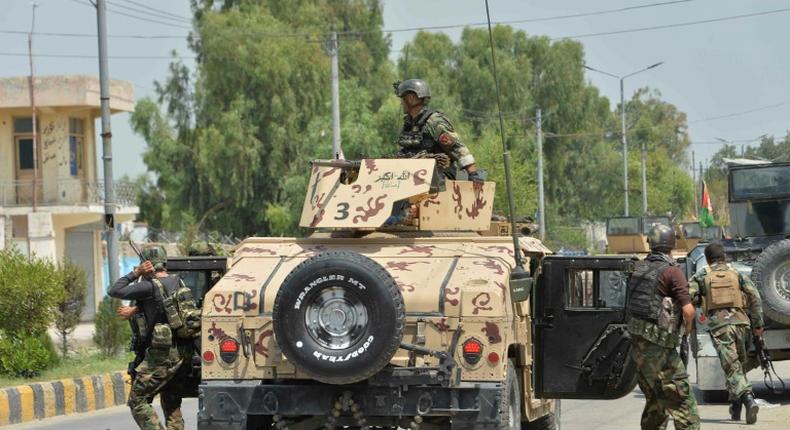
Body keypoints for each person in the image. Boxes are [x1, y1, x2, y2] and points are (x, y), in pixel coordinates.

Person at [109, 245, 199, 430]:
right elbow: (164, 308)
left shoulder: (147, 286)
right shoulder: (178, 282)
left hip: (163, 356)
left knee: (138, 399)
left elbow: (115, 290)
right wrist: (137, 309)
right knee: (172, 401)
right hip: (184, 355)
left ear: (146, 264)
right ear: (164, 263)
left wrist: (135, 273)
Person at [626, 224, 700, 429]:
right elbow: (688, 311)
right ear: (671, 244)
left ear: (651, 243)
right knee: (683, 402)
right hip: (660, 348)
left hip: (639, 348)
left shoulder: (638, 268)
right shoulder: (672, 271)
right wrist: (687, 330)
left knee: (655, 403)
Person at [688, 242, 763, 424]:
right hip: (742, 324)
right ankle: (735, 408)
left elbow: (689, 296)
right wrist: (758, 325)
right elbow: (755, 296)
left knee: (731, 367)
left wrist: (700, 301)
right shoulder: (736, 273)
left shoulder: (701, 275)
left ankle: (747, 399)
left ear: (707, 258)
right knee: (738, 366)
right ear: (724, 257)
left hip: (720, 327)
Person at [393, 79, 482, 182]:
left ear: (411, 98)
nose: (402, 103)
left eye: (403, 99)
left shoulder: (434, 122)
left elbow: (458, 148)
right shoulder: (409, 123)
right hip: (415, 178)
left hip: (439, 179)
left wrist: (473, 173)